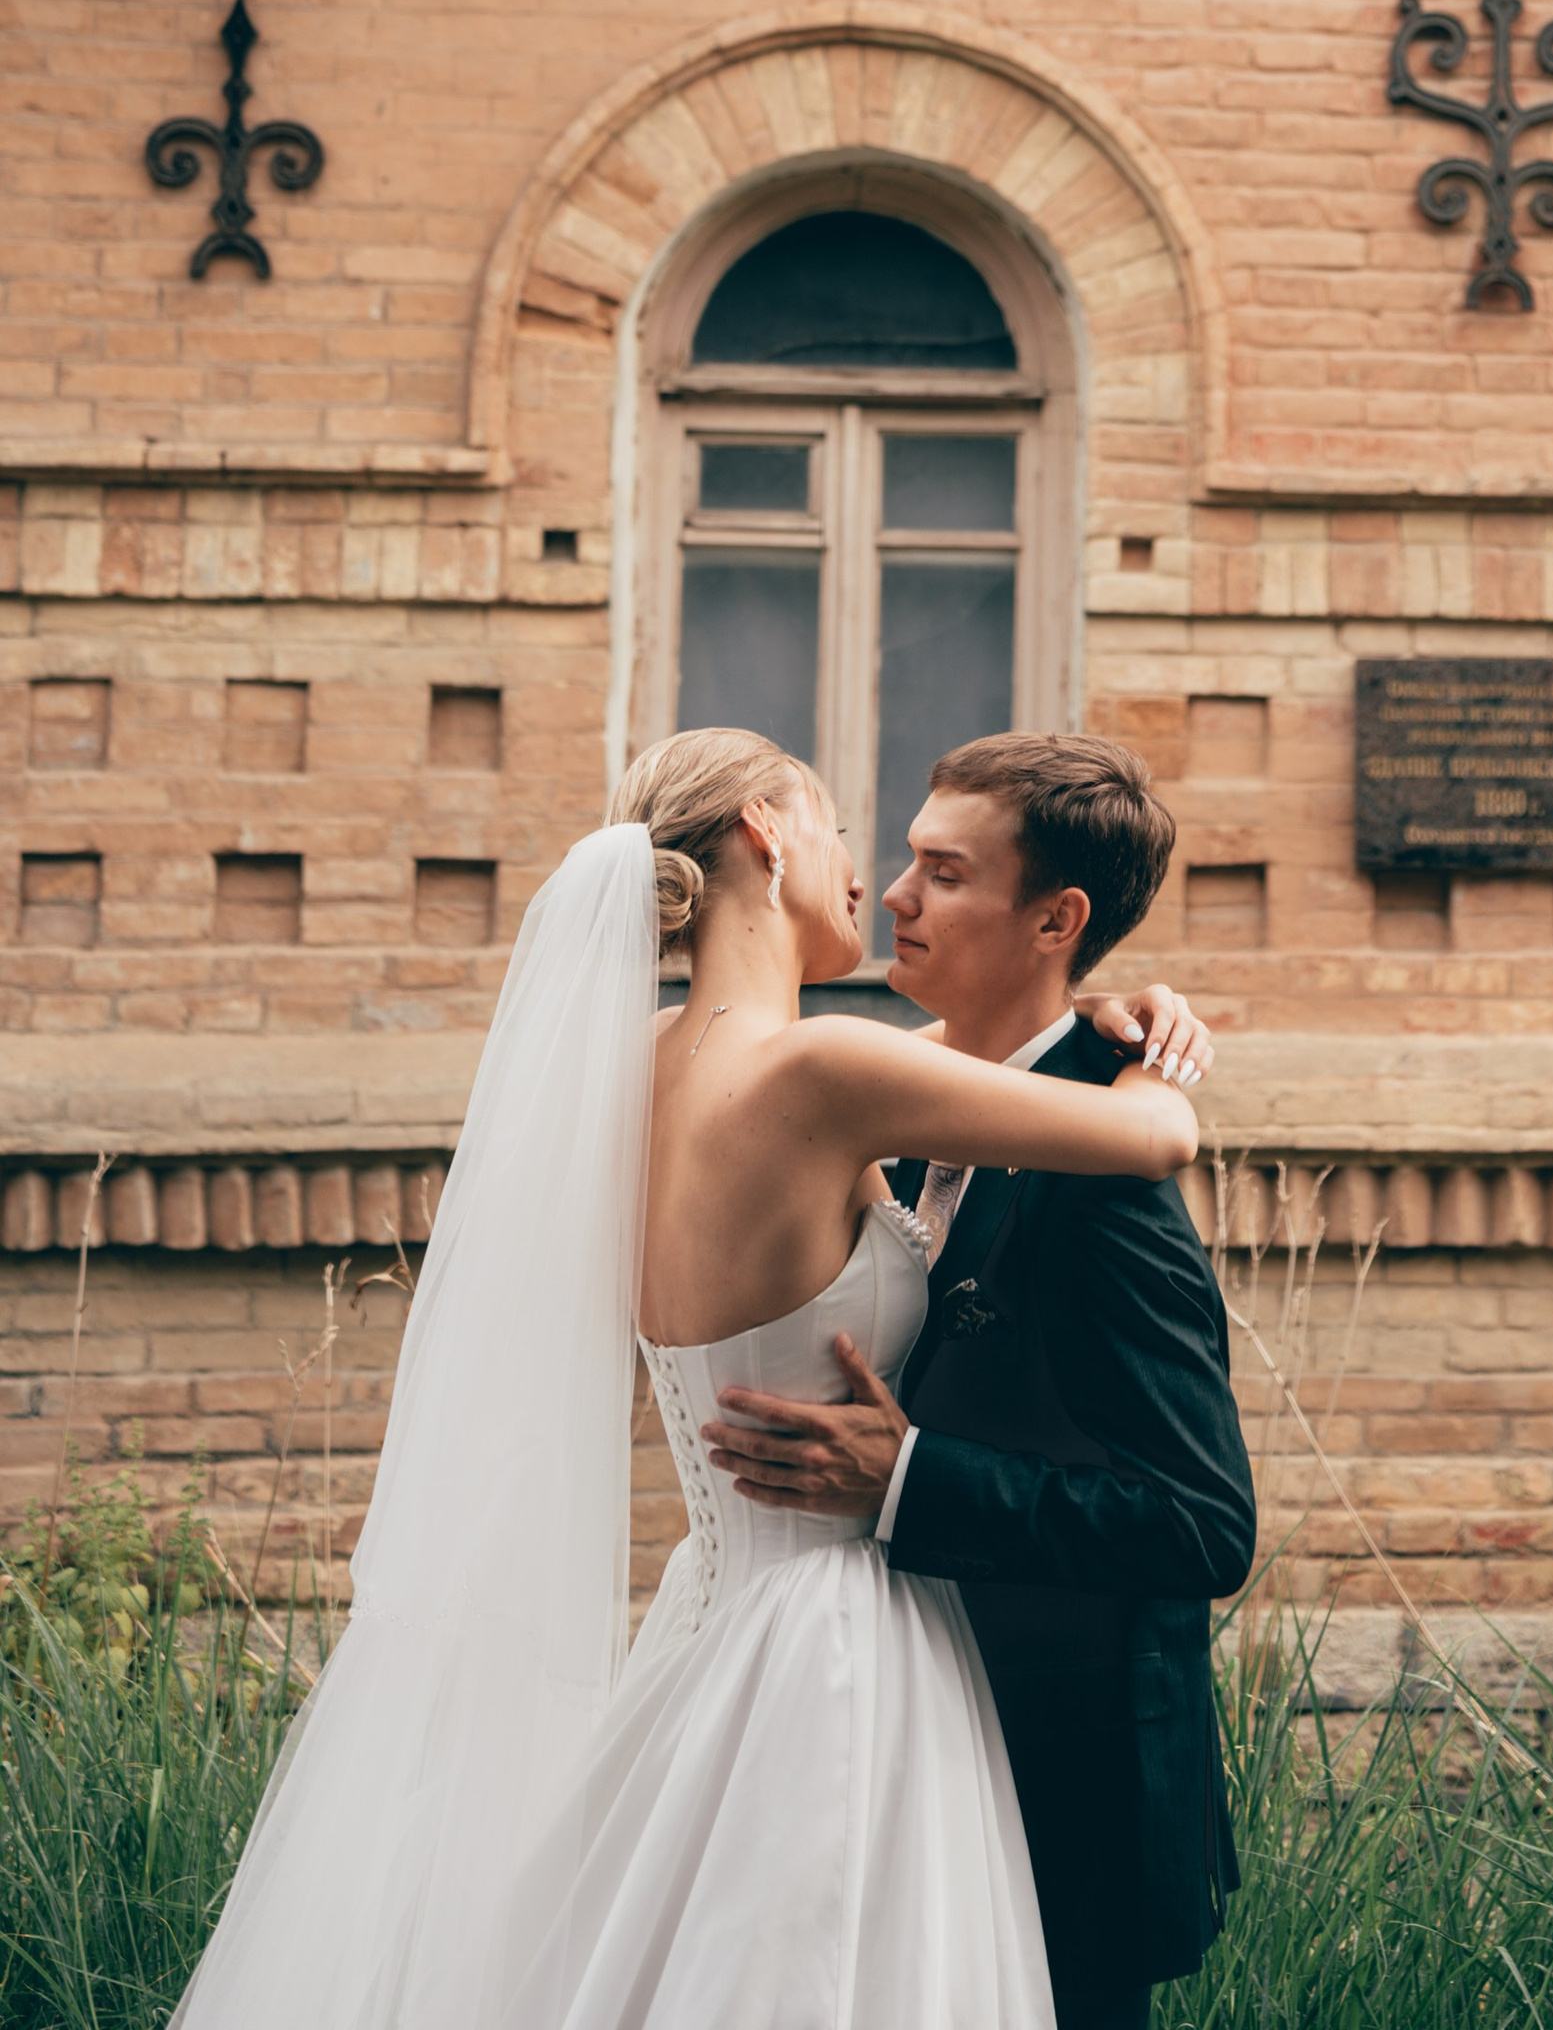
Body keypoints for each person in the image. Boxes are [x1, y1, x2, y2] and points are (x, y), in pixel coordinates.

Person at [172, 723, 1214, 2030]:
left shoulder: (644, 1069)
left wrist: (1090, 1000)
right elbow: (1155, 1134)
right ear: (767, 836)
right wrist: (1141, 1039)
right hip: (836, 1643)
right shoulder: (826, 1071)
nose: (872, 885)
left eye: (929, 870)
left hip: (706, 1617)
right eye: (846, 834)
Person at [703, 731, 1258, 2030]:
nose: (896, 896)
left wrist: (912, 1480)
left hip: (1058, 1789)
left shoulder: (1106, 1183)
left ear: (1055, 919)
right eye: (903, 859)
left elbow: (1203, 1526)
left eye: (944, 874)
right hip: (887, 1740)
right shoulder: (895, 1103)